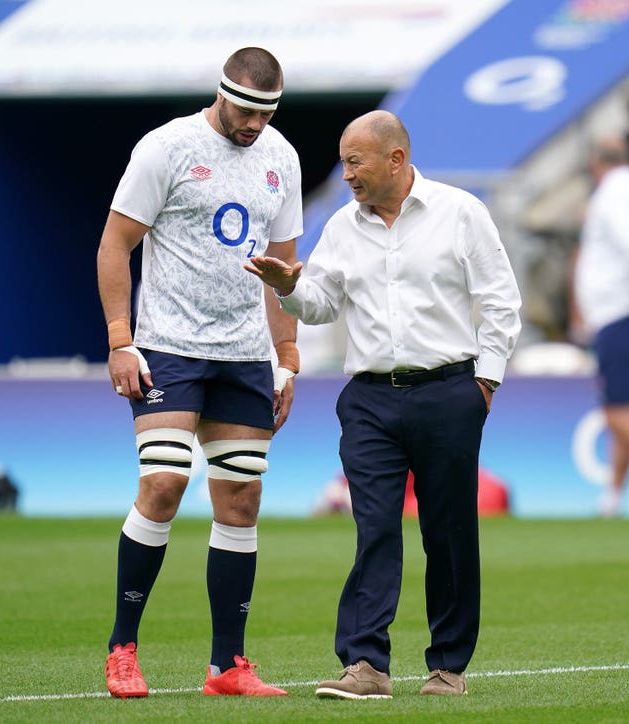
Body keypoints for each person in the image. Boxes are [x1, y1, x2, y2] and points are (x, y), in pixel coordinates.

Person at [246, 110, 521, 698]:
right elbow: (320, 303)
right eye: (344, 161)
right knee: (373, 528)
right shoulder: (343, 226)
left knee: (447, 532)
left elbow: (500, 302)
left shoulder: (461, 212)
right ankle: (366, 664)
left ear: (395, 159)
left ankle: (448, 666)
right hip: (368, 398)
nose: (345, 173)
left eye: (354, 160)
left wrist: (485, 383)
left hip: (451, 390)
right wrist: (289, 285)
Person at [96, 46, 302, 699]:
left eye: (266, 114)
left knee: (240, 500)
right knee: (163, 483)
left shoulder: (282, 158)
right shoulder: (168, 147)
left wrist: (288, 356)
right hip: (168, 346)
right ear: (221, 92)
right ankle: (122, 649)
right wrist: (119, 340)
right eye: (244, 109)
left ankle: (228, 667)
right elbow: (115, 242)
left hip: (244, 354)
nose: (253, 125)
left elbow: (282, 270)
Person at [573, 135, 629, 517]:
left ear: (595, 163)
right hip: (614, 314)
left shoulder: (613, 192)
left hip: (618, 314)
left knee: (615, 410)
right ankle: (611, 497)